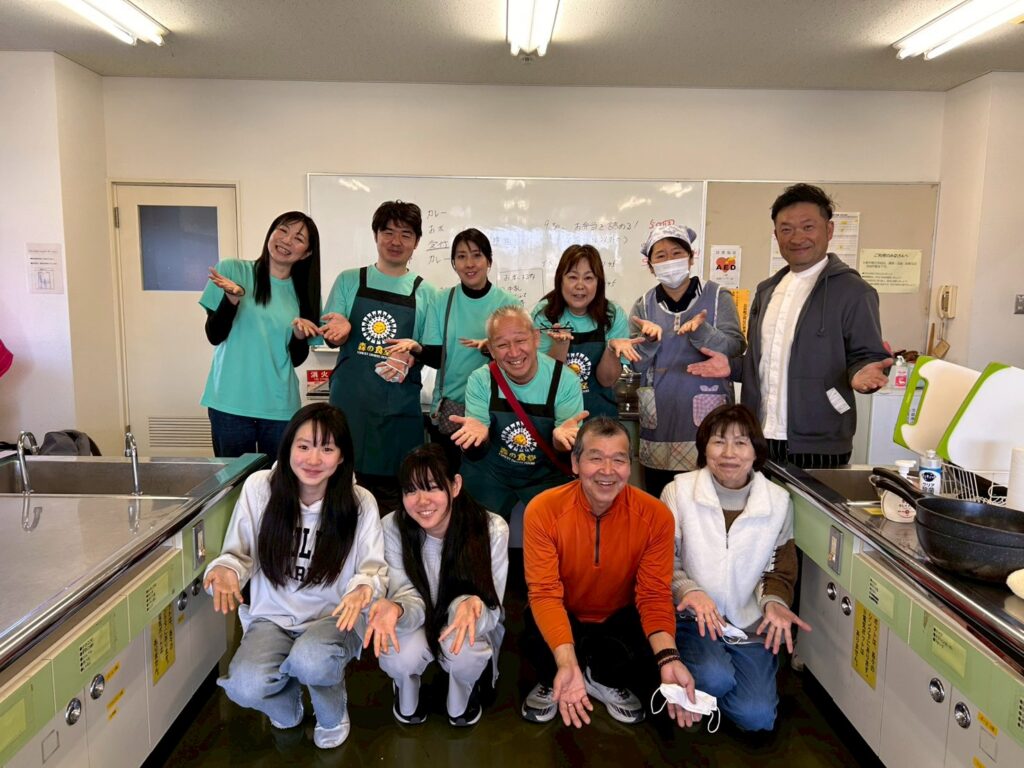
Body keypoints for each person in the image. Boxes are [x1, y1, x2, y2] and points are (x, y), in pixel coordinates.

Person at [203, 403, 386, 750]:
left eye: (326, 449)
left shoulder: (360, 502)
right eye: (303, 446)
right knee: (245, 686)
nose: (313, 459)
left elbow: (371, 569)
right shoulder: (260, 488)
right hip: (272, 618)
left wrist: (363, 589)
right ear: (287, 448)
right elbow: (238, 553)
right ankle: (290, 706)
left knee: (312, 661)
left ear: (342, 457)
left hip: (333, 618)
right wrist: (225, 570)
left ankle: (333, 711)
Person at [688, 184, 892, 468]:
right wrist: (731, 367)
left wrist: (863, 373)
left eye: (808, 227)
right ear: (776, 235)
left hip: (820, 442)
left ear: (829, 230)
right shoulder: (767, 290)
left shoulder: (854, 291)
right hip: (759, 435)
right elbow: (765, 361)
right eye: (786, 229)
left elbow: (868, 357)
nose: (797, 238)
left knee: (812, 501)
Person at [520, 416, 701, 729]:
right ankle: (558, 676)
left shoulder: (656, 516)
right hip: (564, 612)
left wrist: (668, 658)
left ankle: (600, 678)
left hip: (617, 618)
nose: (607, 470)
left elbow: (654, 595)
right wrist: (565, 662)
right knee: (536, 636)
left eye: (618, 459)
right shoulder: (542, 509)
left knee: (636, 653)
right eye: (595, 458)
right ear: (575, 463)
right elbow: (545, 593)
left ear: (629, 466)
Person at [661, 403, 810, 731]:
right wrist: (689, 590)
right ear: (704, 448)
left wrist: (774, 602)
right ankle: (694, 681)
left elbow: (778, 569)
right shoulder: (678, 492)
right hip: (693, 620)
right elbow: (663, 560)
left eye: (741, 443)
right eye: (718, 441)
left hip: (747, 626)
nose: (729, 453)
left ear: (755, 452)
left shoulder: (777, 501)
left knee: (757, 718)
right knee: (715, 677)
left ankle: (697, 694)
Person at [364, 444, 509, 727]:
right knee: (400, 653)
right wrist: (396, 609)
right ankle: (405, 688)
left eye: (432, 487)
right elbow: (407, 595)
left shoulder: (492, 529)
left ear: (455, 486)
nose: (422, 501)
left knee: (464, 650)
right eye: (411, 490)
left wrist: (472, 606)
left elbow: (492, 609)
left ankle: (463, 693)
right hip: (416, 619)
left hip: (465, 624)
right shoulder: (392, 527)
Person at [321, 201, 439, 511]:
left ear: (416, 242)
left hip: (398, 411)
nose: (395, 241)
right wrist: (340, 331)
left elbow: (429, 350)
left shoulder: (427, 293)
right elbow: (331, 334)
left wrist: (412, 354)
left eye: (405, 234)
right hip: (350, 407)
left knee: (396, 500)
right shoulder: (349, 280)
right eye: (388, 232)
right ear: (375, 235)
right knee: (342, 495)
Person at [385, 229, 520, 469]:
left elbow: (520, 359)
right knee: (451, 478)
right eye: (461, 256)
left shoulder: (508, 304)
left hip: (497, 408)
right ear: (454, 263)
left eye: (477, 255)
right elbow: (437, 358)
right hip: (453, 408)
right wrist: (417, 348)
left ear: (489, 260)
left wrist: (492, 348)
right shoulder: (442, 300)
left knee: (490, 480)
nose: (469, 264)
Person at [629, 224, 746, 498]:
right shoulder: (643, 305)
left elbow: (735, 347)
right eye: (661, 256)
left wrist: (702, 332)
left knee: (708, 502)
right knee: (662, 505)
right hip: (660, 425)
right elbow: (636, 365)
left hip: (709, 421)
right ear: (651, 266)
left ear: (691, 257)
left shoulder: (717, 297)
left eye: (676, 253)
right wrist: (649, 342)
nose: (669, 261)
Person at [199, 211, 322, 457]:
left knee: (278, 479)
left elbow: (295, 359)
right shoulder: (232, 270)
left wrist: (299, 336)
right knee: (234, 479)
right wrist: (231, 300)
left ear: (307, 253)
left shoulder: (306, 294)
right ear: (271, 232)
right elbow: (214, 335)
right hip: (230, 402)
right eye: (283, 230)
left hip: (280, 407)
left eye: (298, 238)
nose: (287, 240)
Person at [450, 305, 587, 521]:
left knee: (560, 528)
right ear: (491, 349)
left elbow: (565, 450)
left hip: (545, 475)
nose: (514, 353)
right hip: (491, 474)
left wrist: (561, 439)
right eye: (502, 345)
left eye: (521, 340)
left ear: (536, 338)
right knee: (470, 526)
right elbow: (476, 450)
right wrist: (478, 438)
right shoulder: (481, 380)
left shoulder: (564, 380)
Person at [532, 244, 641, 419]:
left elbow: (607, 380)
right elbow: (545, 380)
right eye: (572, 277)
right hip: (556, 417)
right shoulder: (545, 313)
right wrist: (560, 345)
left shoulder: (612, 315)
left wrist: (611, 349)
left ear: (599, 282)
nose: (580, 285)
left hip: (600, 416)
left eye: (588, 278)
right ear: (560, 280)